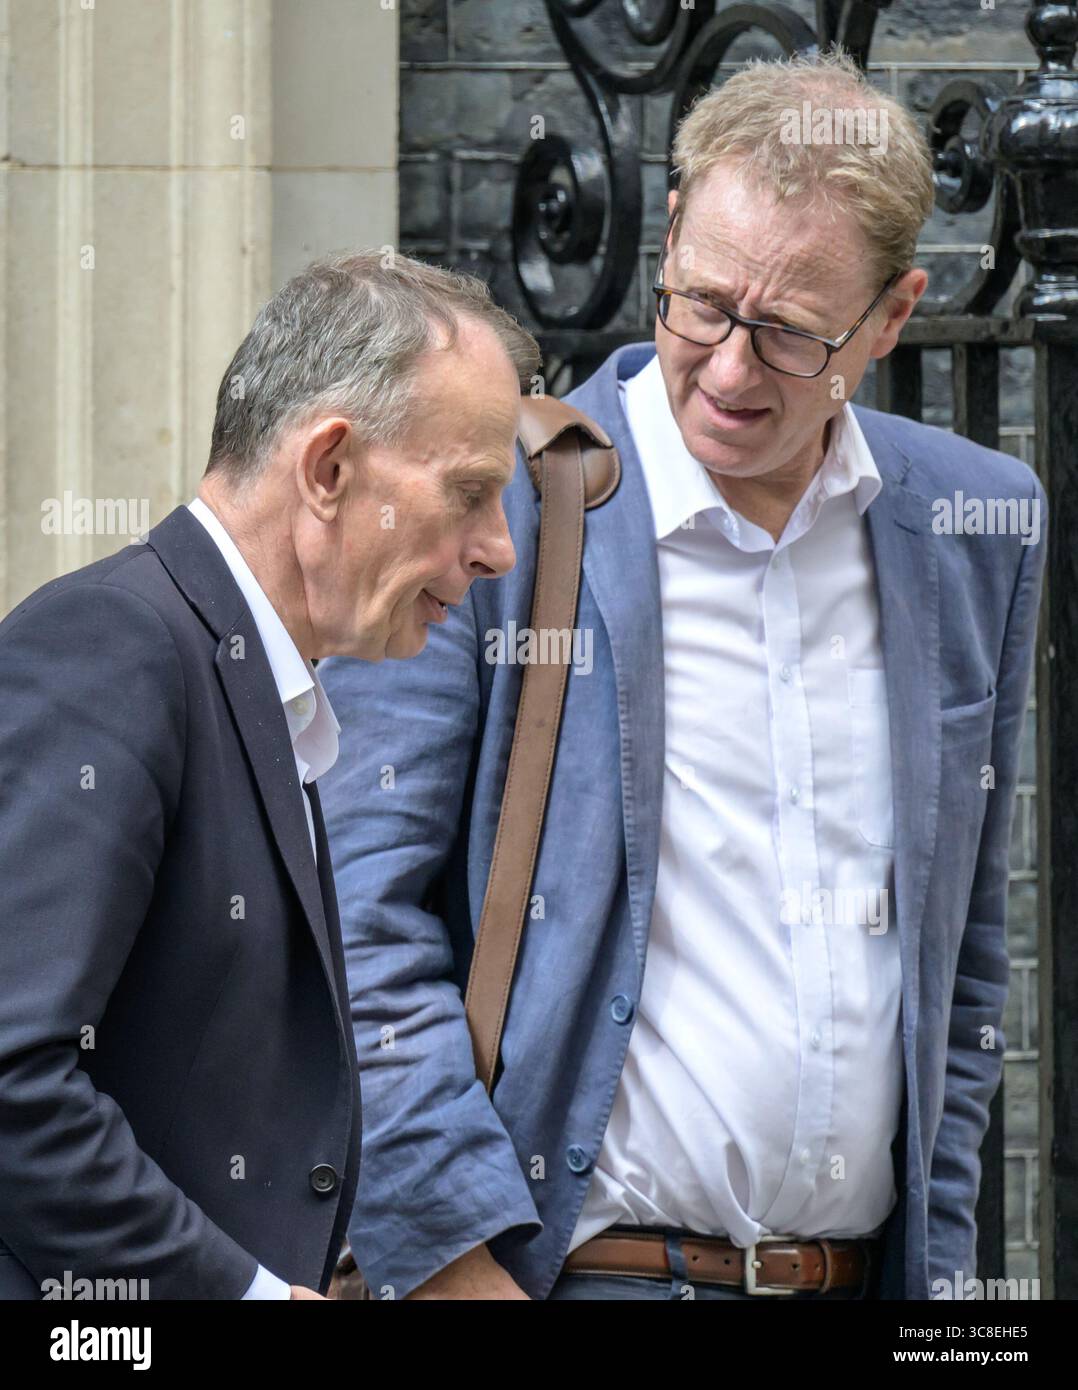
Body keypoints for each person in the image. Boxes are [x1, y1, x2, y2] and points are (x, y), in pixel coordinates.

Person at [318, 52, 1047, 1300]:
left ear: (891, 315)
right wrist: (449, 1264)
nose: (725, 369)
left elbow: (961, 956)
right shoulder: (501, 513)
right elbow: (354, 921)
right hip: (575, 1276)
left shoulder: (974, 524)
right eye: (700, 303)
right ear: (668, 235)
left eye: (789, 333)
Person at [0, 251, 535, 1298]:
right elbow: (12, 1075)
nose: (499, 551)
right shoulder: (116, 645)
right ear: (329, 468)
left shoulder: (237, 676)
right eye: (468, 492)